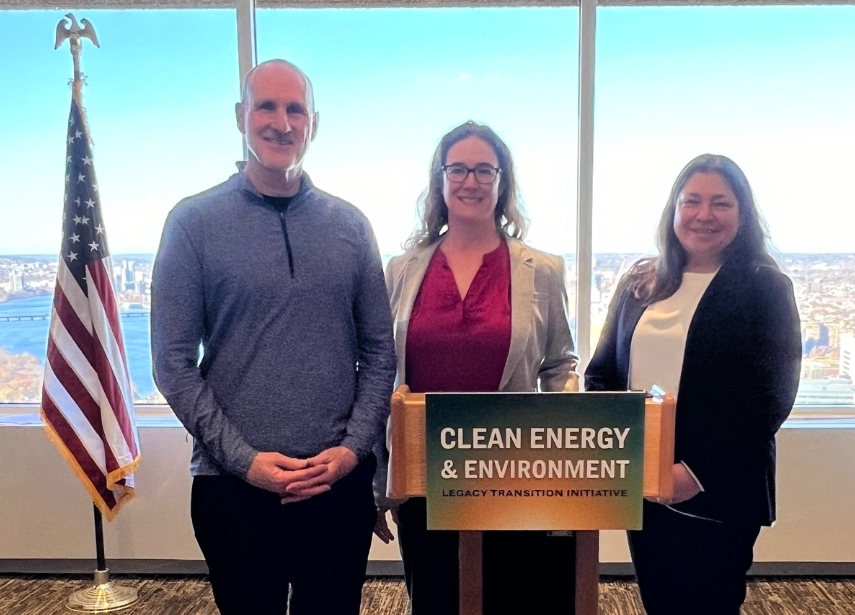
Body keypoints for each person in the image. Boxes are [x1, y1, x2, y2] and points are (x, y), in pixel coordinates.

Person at [150, 59, 396, 615]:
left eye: (295, 109)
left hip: (336, 486)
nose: (281, 123)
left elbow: (380, 352)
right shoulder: (193, 222)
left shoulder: (351, 226)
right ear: (241, 115)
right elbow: (172, 362)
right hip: (233, 488)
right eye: (266, 106)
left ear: (314, 124)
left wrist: (353, 451)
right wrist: (245, 460)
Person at [373, 121, 578, 615]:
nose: (471, 181)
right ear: (440, 182)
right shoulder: (403, 269)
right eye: (458, 169)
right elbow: (382, 374)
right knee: (436, 600)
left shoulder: (542, 269)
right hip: (425, 475)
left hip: (513, 470)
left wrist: (568, 460)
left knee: (513, 600)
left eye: (484, 169)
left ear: (502, 181)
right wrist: (381, 479)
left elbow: (560, 365)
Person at [585, 154, 801, 614]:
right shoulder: (640, 282)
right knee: (660, 601)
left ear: (742, 214)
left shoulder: (766, 287)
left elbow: (770, 398)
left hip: (718, 487)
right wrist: (621, 455)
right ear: (674, 210)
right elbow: (601, 374)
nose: (705, 215)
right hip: (644, 480)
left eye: (721, 203)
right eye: (692, 201)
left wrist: (697, 471)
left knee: (710, 603)